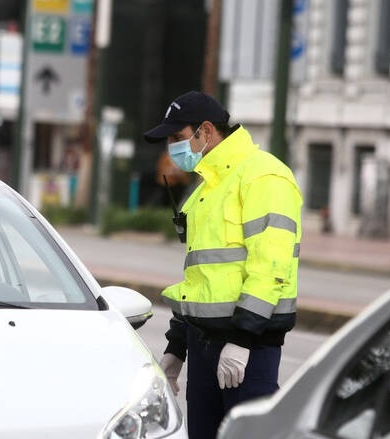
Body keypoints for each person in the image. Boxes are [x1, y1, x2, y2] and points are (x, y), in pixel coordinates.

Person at [143, 91, 303, 439]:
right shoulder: (207, 188)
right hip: (204, 348)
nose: (172, 148)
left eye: (177, 138)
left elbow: (270, 268)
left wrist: (243, 340)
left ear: (205, 132)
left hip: (249, 351)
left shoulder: (264, 177)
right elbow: (201, 278)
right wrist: (177, 347)